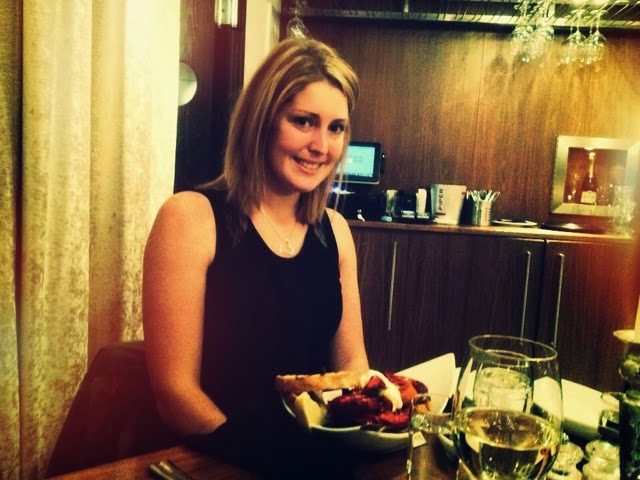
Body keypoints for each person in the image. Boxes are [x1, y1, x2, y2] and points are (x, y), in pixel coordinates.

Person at [142, 38, 370, 478]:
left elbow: (353, 368)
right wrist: (280, 464)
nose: (321, 145)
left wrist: (377, 419)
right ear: (261, 120)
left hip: (315, 457)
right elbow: (175, 396)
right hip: (216, 459)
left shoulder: (337, 231)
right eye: (303, 121)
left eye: (336, 128)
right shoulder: (189, 217)